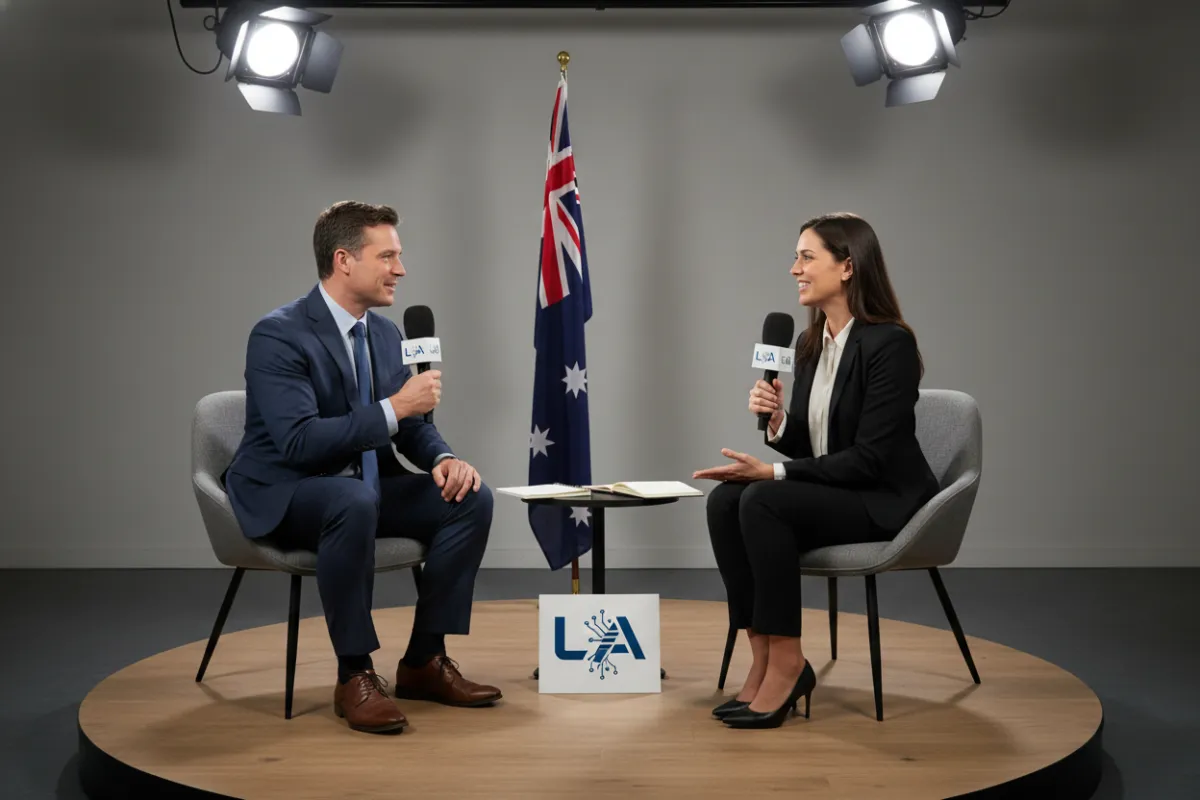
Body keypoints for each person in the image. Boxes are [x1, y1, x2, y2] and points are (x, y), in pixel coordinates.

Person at [225, 201, 501, 735]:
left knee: (470, 497)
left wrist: (444, 459)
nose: (401, 269)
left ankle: (424, 660)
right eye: (389, 256)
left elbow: (413, 428)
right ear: (344, 259)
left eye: (399, 256)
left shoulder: (385, 334)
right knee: (350, 500)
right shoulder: (278, 334)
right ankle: (354, 672)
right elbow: (300, 442)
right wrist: (396, 407)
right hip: (289, 490)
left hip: (365, 488)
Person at [692, 212, 939, 730]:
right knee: (725, 500)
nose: (794, 269)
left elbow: (869, 458)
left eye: (807, 257)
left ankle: (788, 661)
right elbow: (820, 445)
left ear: (847, 267)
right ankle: (761, 650)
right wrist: (779, 423)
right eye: (796, 257)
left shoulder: (888, 344)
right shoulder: (810, 346)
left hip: (882, 500)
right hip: (840, 491)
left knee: (762, 498)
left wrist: (775, 476)